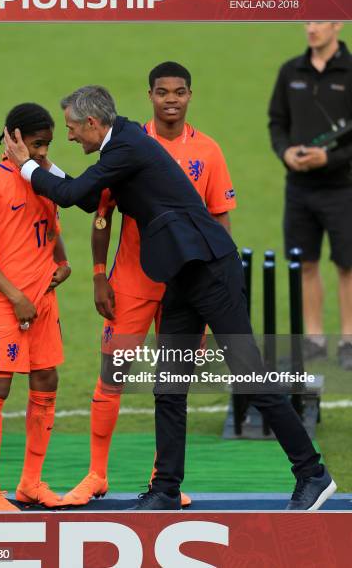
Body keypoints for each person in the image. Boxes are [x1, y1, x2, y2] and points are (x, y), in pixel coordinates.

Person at [4, 86, 336, 511]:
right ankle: (164, 489)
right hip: (182, 275)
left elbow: (70, 196)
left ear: (92, 123)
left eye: (70, 129)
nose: (69, 137)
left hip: (212, 271)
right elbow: (87, 198)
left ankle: (312, 473)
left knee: (250, 375)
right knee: (170, 386)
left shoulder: (126, 147)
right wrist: (43, 167)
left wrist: (28, 166)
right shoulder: (120, 145)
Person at [60, 62, 236, 508]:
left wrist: (220, 290)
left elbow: (220, 221)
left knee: (173, 384)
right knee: (112, 375)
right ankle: (96, 475)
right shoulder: (126, 144)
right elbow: (102, 215)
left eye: (179, 92)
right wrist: (99, 274)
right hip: (133, 281)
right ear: (150, 96)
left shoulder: (209, 152)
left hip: (189, 286)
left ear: (190, 96)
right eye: (162, 92)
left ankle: (165, 484)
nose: (171, 100)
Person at [0, 103, 71, 511]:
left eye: (47, 144)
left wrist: (61, 262)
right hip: (8, 304)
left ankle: (30, 483)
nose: (43, 152)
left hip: (44, 302)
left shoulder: (42, 179)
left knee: (46, 381)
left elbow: (52, 226)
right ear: (12, 138)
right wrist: (16, 296)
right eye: (36, 143)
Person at [268, 22, 352, 369]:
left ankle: (349, 340)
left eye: (320, 22)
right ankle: (314, 339)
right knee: (304, 264)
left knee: (347, 265)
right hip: (299, 188)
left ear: (338, 25)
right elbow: (277, 122)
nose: (312, 29)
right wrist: (286, 153)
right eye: (308, 21)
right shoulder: (291, 71)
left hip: (343, 188)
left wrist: (329, 158)